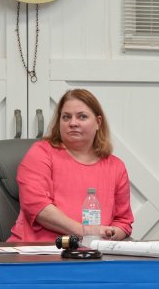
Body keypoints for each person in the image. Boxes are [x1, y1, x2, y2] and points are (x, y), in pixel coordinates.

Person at [8, 89, 133, 242]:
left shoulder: (116, 167)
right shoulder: (40, 153)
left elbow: (123, 221)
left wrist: (111, 234)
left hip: (93, 254)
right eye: (66, 117)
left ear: (98, 123)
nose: (73, 123)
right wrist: (86, 232)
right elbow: (37, 207)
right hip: (38, 252)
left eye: (82, 116)